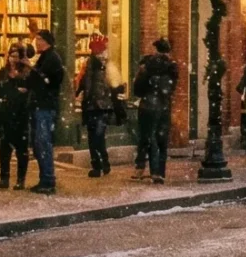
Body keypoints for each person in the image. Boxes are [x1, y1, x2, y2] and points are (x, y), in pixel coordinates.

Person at [132, 38, 179, 182]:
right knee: (161, 138)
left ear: (155, 49)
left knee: (147, 136)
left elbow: (138, 89)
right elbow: (172, 87)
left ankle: (147, 169)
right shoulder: (171, 67)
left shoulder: (147, 65)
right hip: (164, 105)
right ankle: (160, 172)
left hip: (148, 104)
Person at [0, 47, 37, 189]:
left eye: (16, 56)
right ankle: (4, 179)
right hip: (5, 113)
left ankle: (20, 180)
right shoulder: (4, 72)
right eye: (11, 56)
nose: (13, 59)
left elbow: (33, 89)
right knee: (4, 148)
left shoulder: (27, 73)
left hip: (21, 114)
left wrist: (22, 92)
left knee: (21, 148)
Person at [28, 28, 67, 194]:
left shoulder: (51, 58)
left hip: (45, 107)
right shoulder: (46, 57)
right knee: (40, 144)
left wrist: (31, 68)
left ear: (46, 41)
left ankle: (48, 180)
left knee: (43, 143)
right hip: (41, 106)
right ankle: (45, 179)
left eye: (39, 39)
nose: (36, 42)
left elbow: (49, 81)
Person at [78, 36, 123, 178]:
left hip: (94, 106)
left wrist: (83, 96)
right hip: (103, 105)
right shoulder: (107, 65)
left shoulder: (91, 64)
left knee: (94, 137)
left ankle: (98, 165)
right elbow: (116, 85)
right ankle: (103, 163)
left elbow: (86, 84)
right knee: (99, 136)